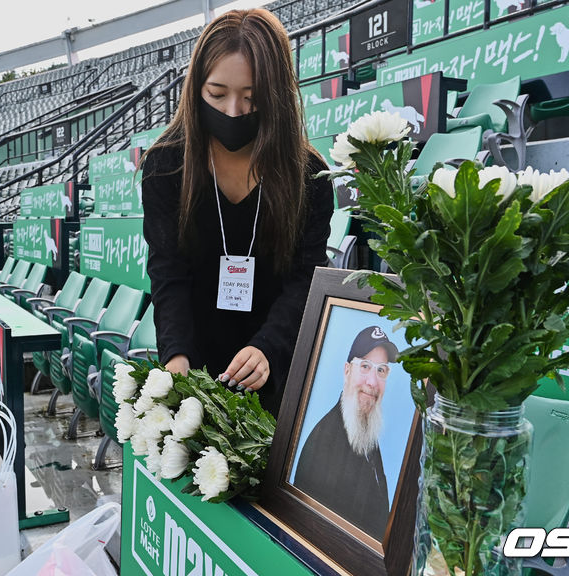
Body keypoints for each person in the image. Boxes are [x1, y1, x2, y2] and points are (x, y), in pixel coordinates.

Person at [141, 8, 332, 417]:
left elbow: (305, 280)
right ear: (196, 90)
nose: (232, 111)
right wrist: (176, 357)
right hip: (193, 371)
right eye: (217, 94)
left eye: (252, 98)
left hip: (275, 372)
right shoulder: (165, 166)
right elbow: (168, 272)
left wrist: (268, 348)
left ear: (277, 95)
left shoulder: (310, 176)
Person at [292, 325, 398, 541]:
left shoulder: (363, 430)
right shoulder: (324, 445)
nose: (372, 382)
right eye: (365, 366)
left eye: (381, 370)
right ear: (347, 371)